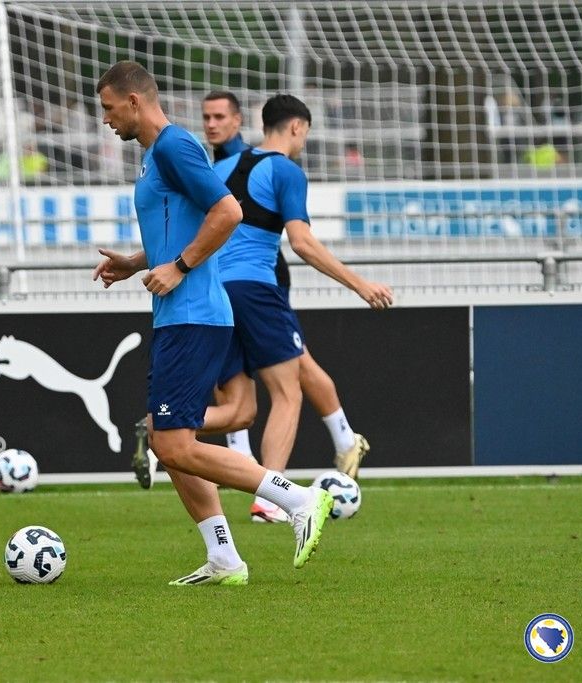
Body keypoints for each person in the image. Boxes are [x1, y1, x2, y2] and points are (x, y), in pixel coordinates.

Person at [92, 61, 333, 585]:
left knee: (174, 444)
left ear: (134, 101)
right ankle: (223, 557)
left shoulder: (175, 147)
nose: (105, 120)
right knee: (165, 436)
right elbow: (182, 224)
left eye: (109, 108)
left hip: (195, 315)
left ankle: (298, 499)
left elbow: (227, 211)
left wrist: (178, 268)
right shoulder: (158, 154)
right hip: (180, 315)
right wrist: (137, 262)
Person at [198, 91, 392, 523]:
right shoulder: (285, 169)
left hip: (213, 292)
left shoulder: (221, 168)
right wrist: (360, 284)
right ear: (297, 127)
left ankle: (164, 427)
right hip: (254, 288)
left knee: (239, 407)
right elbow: (301, 242)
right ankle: (271, 499)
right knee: (288, 392)